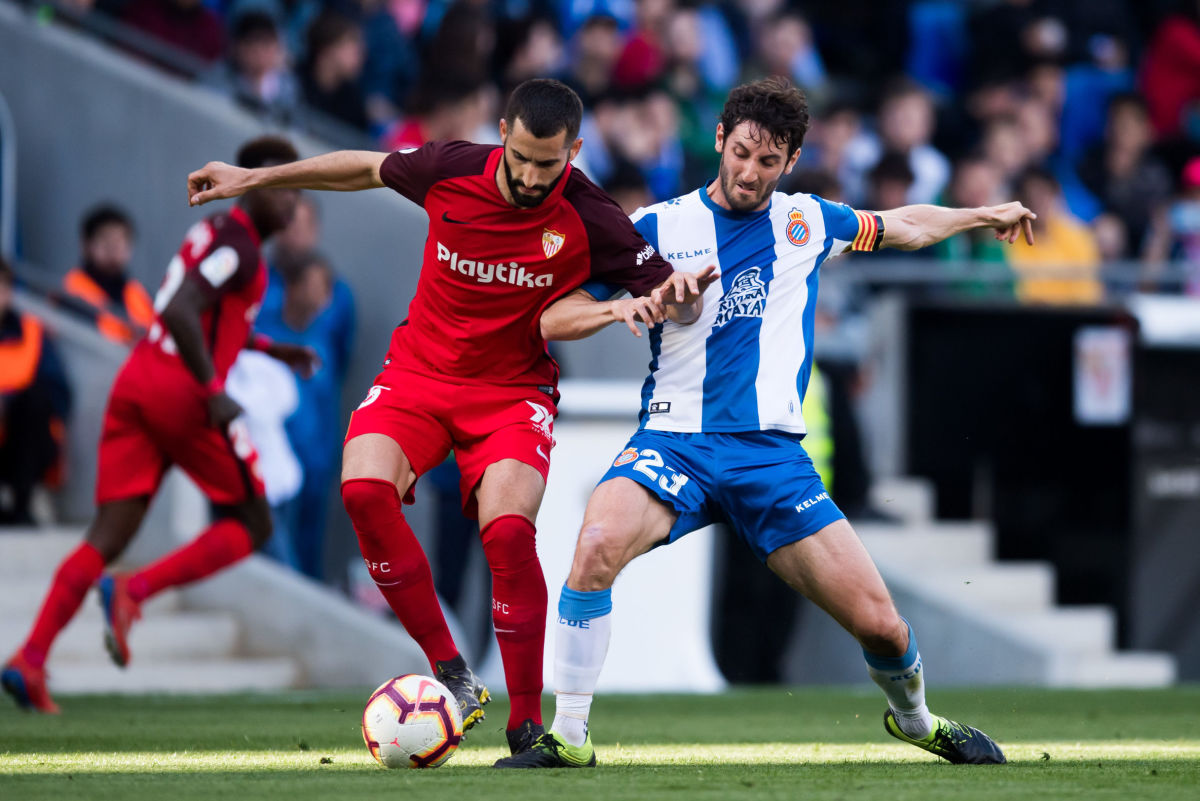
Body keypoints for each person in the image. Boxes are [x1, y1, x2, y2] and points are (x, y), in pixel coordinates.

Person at [495, 77, 1035, 769]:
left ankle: (917, 720)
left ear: (791, 160)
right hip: (674, 444)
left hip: (770, 459)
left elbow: (903, 225)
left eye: (768, 161)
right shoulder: (655, 228)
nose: (750, 172)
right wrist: (621, 306)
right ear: (720, 138)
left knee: (882, 626)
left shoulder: (807, 221)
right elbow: (552, 315)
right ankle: (570, 735)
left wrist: (979, 214)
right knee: (595, 544)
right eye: (742, 153)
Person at [183, 78, 707, 754]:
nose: (530, 176)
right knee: (363, 491)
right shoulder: (453, 167)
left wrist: (678, 297)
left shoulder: (592, 215)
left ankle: (526, 726)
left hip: (511, 391)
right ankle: (453, 672)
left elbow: (672, 296)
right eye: (521, 157)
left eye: (548, 164)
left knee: (507, 532)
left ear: (574, 151)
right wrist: (253, 178)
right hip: (419, 373)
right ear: (503, 133)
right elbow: (363, 168)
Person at [0, 137, 318, 714]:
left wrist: (270, 348)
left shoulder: (218, 232)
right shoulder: (241, 247)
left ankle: (30, 658)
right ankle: (135, 590)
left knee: (107, 535)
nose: (290, 199)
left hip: (140, 379)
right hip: (182, 393)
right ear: (247, 184)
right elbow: (180, 309)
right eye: (279, 184)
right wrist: (213, 389)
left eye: (294, 188)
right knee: (254, 522)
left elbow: (203, 312)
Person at [0, 258, 72, 525]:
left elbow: (59, 393)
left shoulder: (32, 331)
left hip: (21, 443)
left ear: (9, 292)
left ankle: (22, 505)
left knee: (35, 400)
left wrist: (8, 403)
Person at [61, 204, 155, 345]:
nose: (113, 249)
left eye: (120, 241)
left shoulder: (139, 295)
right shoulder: (70, 293)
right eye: (106, 241)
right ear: (86, 245)